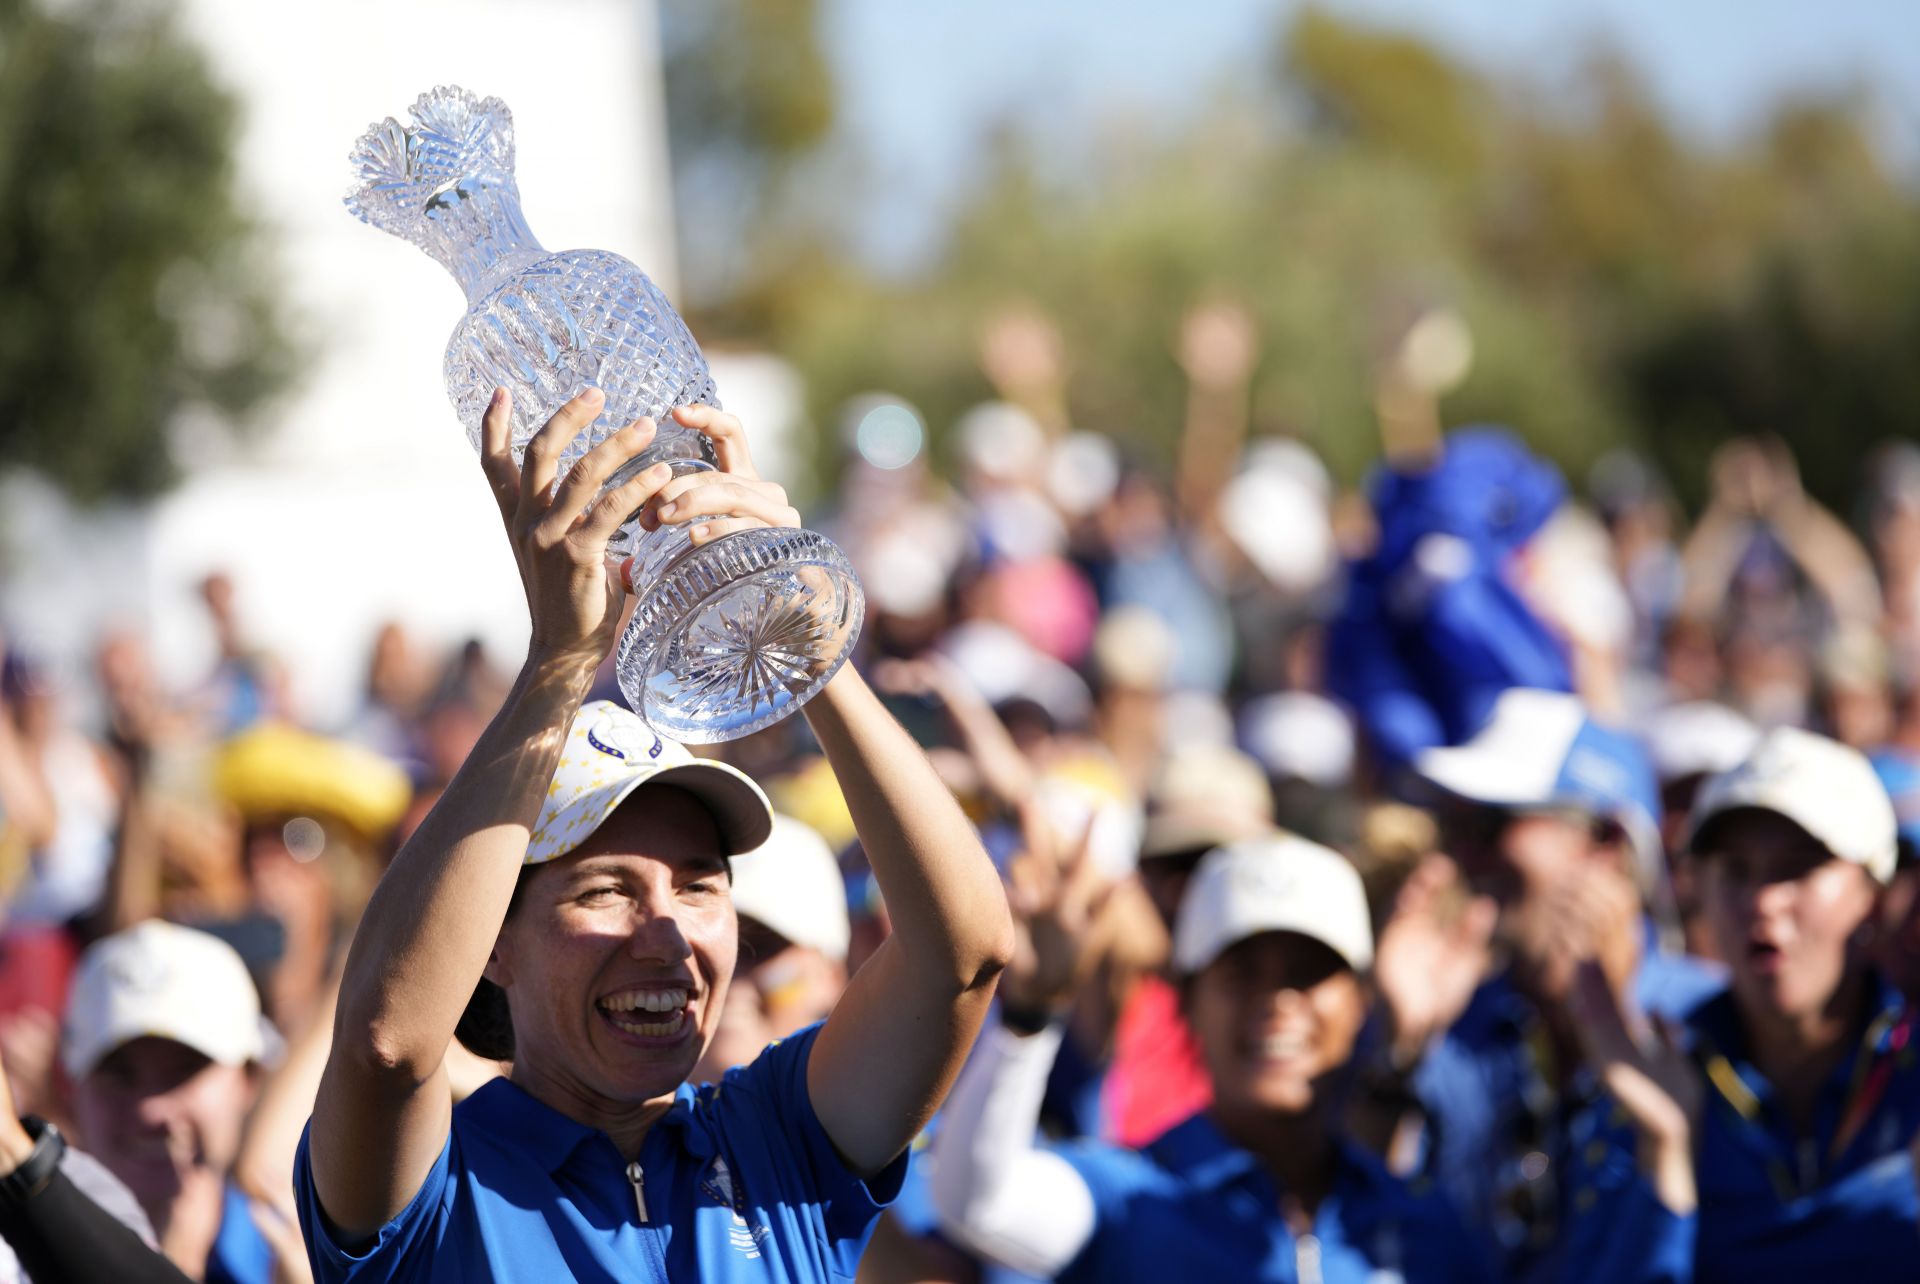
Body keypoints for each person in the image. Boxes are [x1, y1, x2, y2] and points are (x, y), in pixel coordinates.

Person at [297, 390, 1014, 1282]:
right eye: (605, 888)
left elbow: (964, 956)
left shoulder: (779, 1139)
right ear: (494, 945)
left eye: (700, 882)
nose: (666, 929)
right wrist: (560, 659)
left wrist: (800, 637)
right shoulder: (440, 1185)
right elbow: (388, 1045)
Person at [931, 834, 1492, 1281]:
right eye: (1239, 974)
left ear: (1360, 1005)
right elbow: (979, 1203)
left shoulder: (1425, 1225)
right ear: (1187, 1003)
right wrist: (1030, 1014)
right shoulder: (1131, 1197)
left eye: (1308, 973)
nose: (1277, 1003)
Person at [1369, 687, 1719, 1282]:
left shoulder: (1709, 1022)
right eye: (1452, 828)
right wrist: (1398, 1053)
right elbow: (1376, 1244)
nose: (1463, 858)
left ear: (1606, 846)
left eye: (1490, 824)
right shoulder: (1462, 1025)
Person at [1595, 727, 1920, 1281]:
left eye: (1799, 867)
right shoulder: (1655, 1073)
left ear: (1874, 897)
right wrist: (1666, 1152)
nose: (1763, 901)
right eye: (1734, 871)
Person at [62, 919, 285, 1283]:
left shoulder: (310, 1257)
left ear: (249, 1078)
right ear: (70, 1088)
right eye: (119, 1076)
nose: (152, 1109)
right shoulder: (15, 1259)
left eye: (184, 1072)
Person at [692, 814, 851, 1081]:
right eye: (697, 947)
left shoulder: (889, 1121)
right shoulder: (607, 1119)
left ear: (830, 975)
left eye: (759, 947)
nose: (725, 967)